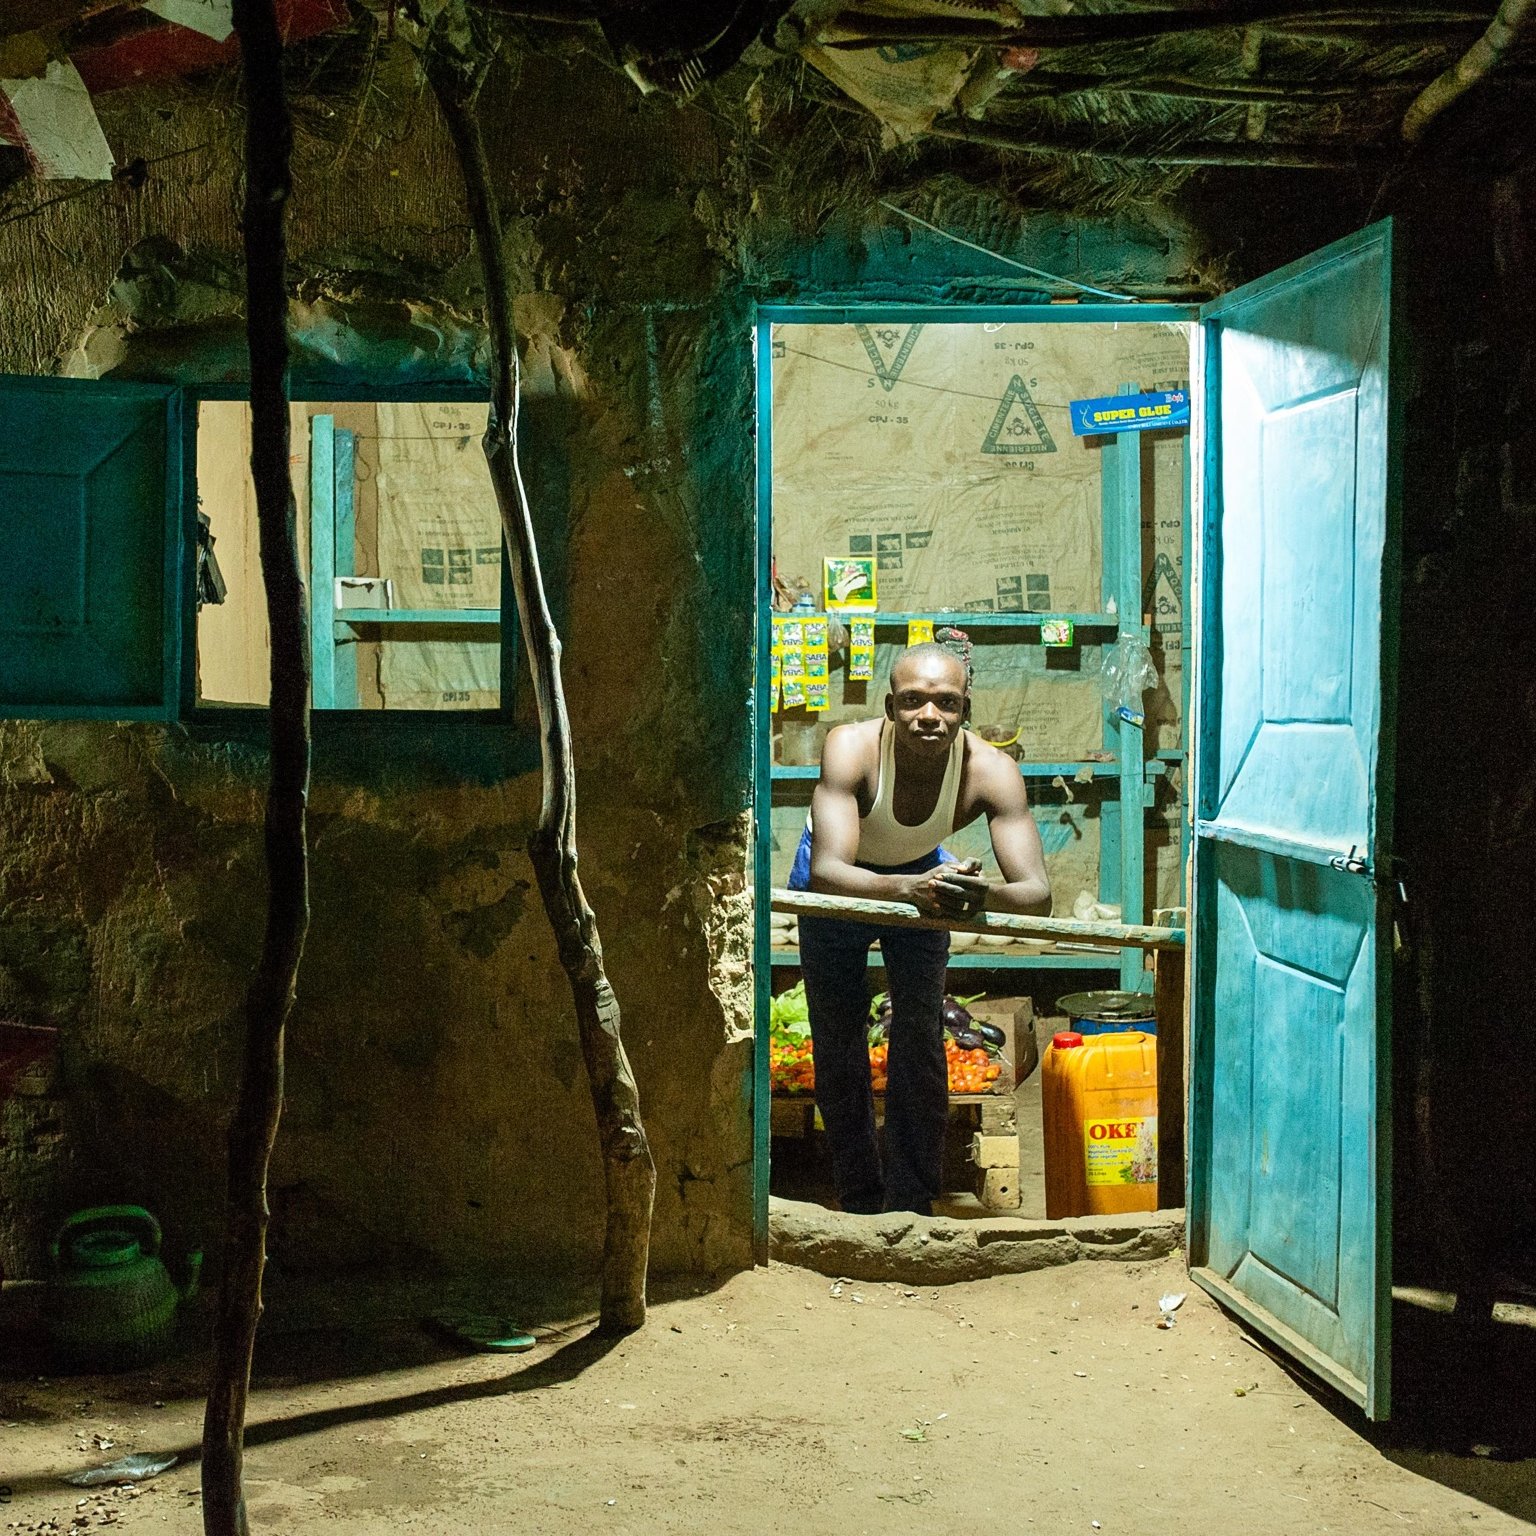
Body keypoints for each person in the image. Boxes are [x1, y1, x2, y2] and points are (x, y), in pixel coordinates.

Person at [786, 641, 1051, 1216]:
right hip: (839, 879)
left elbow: (1037, 894)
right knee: (838, 1038)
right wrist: (908, 890)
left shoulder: (991, 771)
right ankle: (858, 1198)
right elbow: (830, 873)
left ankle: (910, 1202)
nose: (928, 716)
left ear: (965, 710)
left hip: (923, 875)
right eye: (912, 701)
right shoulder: (850, 748)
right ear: (889, 705)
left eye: (946, 704)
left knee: (920, 1035)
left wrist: (977, 896)